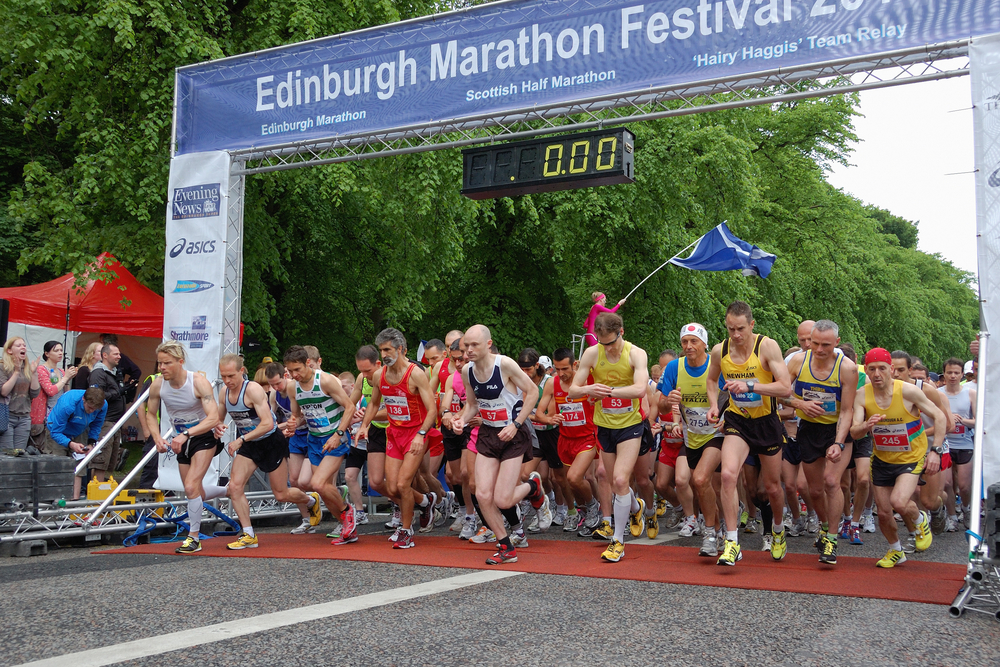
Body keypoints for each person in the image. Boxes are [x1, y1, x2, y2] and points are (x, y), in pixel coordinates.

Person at [451, 324, 546, 565]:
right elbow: (472, 405)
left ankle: (533, 486)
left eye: (474, 345)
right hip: (488, 434)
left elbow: (533, 392)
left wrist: (516, 423)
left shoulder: (504, 364)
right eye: (466, 347)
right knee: (482, 494)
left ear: (488, 344)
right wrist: (460, 420)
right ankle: (506, 546)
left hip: (513, 434)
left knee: (504, 500)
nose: (468, 351)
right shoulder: (467, 372)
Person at [706, 301, 792, 566]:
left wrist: (751, 385)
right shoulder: (720, 350)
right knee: (730, 475)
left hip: (766, 422)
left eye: (740, 328)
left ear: (752, 325)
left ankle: (777, 530)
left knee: (772, 488)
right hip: (738, 421)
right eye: (730, 328)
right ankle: (732, 542)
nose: (735, 334)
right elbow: (711, 380)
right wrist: (713, 406)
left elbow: (786, 388)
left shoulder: (767, 346)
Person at [850, 348, 945, 568]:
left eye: (882, 368)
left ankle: (920, 520)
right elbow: (855, 432)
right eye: (871, 369)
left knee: (898, 502)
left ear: (891, 370)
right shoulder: (862, 395)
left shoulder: (908, 392)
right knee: (883, 513)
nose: (876, 374)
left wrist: (936, 451)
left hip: (911, 456)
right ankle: (896, 550)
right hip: (882, 458)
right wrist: (866, 425)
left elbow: (939, 416)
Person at [215, 354, 321, 549]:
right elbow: (218, 417)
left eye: (231, 376)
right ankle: (248, 534)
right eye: (223, 376)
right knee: (235, 487)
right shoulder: (224, 393)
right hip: (250, 444)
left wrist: (241, 439)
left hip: (271, 441)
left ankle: (309, 499)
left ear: (241, 371)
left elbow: (268, 423)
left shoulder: (253, 390)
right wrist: (217, 427)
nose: (227, 381)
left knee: (281, 494)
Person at [570, 312, 650, 563]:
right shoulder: (592, 353)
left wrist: (607, 392)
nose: (608, 348)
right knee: (618, 486)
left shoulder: (636, 353)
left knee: (619, 478)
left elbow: (639, 389)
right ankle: (637, 508)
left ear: (621, 333)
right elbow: (573, 390)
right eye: (602, 343)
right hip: (604, 425)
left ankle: (617, 541)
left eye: (611, 342)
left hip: (630, 424)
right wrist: (587, 389)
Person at [784, 320, 858, 565]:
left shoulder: (847, 368)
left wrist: (838, 442)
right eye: (814, 343)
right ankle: (825, 527)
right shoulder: (797, 361)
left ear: (836, 343)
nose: (818, 349)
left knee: (830, 482)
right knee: (814, 490)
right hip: (809, 428)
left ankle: (832, 540)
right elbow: (782, 392)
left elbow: (847, 411)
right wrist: (800, 404)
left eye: (825, 345)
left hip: (836, 429)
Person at [357, 328, 438, 549]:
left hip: (415, 433)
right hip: (394, 433)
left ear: (400, 349)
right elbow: (374, 403)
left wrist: (422, 434)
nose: (383, 355)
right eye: (381, 350)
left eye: (387, 349)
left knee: (403, 483)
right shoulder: (379, 375)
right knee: (391, 487)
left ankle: (406, 530)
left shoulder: (415, 373)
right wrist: (364, 426)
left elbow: (432, 409)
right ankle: (426, 501)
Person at [145, 341, 226, 554]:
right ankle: (230, 490)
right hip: (181, 440)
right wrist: (157, 438)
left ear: (180, 362)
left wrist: (185, 434)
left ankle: (194, 537)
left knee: (190, 485)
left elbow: (213, 417)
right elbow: (150, 414)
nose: (162, 367)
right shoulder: (157, 384)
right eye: (160, 363)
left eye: (167, 363)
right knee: (194, 490)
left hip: (203, 437)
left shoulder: (198, 382)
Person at [659, 324, 727, 557]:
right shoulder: (673, 368)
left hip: (717, 433)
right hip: (692, 437)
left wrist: (726, 416)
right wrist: (669, 400)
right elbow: (659, 404)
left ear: (704, 343)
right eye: (685, 342)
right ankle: (718, 530)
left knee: (699, 480)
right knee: (705, 487)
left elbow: (733, 397)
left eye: (694, 341)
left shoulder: (716, 365)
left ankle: (710, 533)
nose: (688, 346)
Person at [282, 345, 358, 545]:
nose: (294, 375)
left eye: (297, 370)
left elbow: (349, 406)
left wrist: (338, 433)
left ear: (308, 363)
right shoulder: (292, 387)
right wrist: (293, 424)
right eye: (290, 371)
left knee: (317, 484)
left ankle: (347, 512)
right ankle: (346, 525)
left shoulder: (325, 381)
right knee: (325, 490)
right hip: (314, 440)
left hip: (335, 438)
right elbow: (298, 417)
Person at [536, 347, 602, 535]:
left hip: (587, 437)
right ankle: (584, 510)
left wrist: (594, 399)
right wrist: (550, 419)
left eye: (565, 369)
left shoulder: (587, 379)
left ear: (574, 364)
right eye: (557, 369)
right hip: (565, 439)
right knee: (570, 481)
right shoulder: (552, 384)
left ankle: (593, 508)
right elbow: (540, 414)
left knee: (575, 477)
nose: (561, 373)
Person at [940, 357, 976, 528]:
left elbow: (978, 421)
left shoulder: (970, 393)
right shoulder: (938, 393)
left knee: (964, 486)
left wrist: (962, 421)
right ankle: (952, 516)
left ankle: (966, 508)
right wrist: (948, 420)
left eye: (956, 372)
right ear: (944, 374)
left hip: (964, 443)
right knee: (947, 483)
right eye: (949, 372)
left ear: (962, 374)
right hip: (945, 443)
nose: (953, 376)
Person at [88, 343, 126, 481]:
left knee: (110, 460)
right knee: (100, 460)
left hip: (115, 422)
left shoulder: (113, 373)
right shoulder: (98, 373)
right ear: (105, 355)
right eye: (115, 354)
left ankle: (103, 490)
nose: (119, 357)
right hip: (105, 421)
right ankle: (94, 492)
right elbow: (96, 396)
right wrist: (118, 392)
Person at [31, 341, 77, 448]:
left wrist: (68, 379)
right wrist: (65, 377)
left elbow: (66, 393)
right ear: (47, 354)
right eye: (56, 351)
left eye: (61, 350)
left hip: (58, 414)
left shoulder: (60, 371)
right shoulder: (42, 369)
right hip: (44, 416)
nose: (60, 353)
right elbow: (50, 391)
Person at [1, 337, 40, 451]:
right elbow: (4, 391)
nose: (23, 347)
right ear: (9, 350)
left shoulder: (27, 368)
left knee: (19, 454)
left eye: (24, 345)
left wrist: (34, 374)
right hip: (7, 415)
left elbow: (34, 393)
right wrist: (16, 372)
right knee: (7, 453)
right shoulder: (3, 367)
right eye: (18, 345)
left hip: (24, 417)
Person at [42, 387, 107, 456]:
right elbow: (55, 432)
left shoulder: (103, 405)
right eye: (90, 407)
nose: (92, 411)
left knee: (79, 463)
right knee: (58, 462)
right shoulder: (67, 405)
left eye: (95, 409)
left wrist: (91, 443)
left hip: (79, 430)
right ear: (83, 399)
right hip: (58, 430)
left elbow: (96, 425)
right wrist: (71, 444)